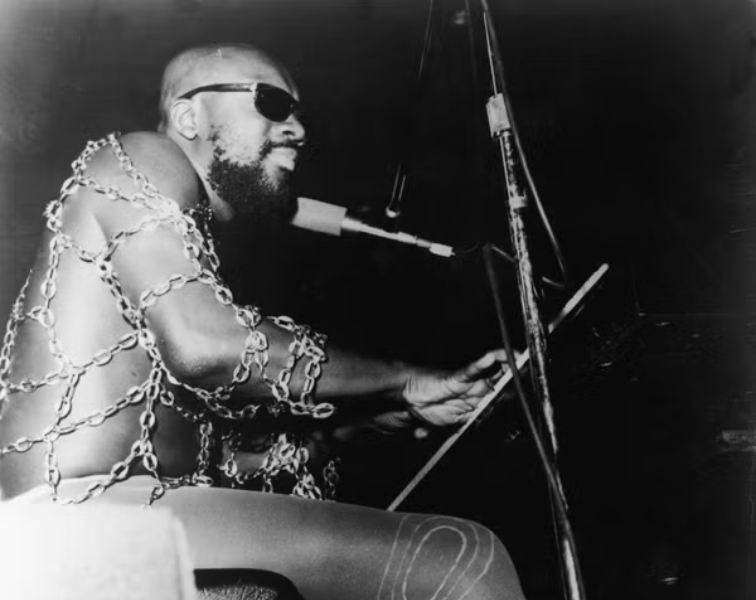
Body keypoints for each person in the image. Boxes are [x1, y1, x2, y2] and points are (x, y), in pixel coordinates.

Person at [0, 43, 525, 600]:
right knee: (465, 557)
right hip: (70, 523)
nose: (298, 129)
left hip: (108, 529)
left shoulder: (183, 259)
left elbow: (226, 462)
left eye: (301, 113)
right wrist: (406, 378)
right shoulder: (146, 154)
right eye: (272, 102)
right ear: (188, 116)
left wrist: (369, 422)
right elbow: (208, 346)